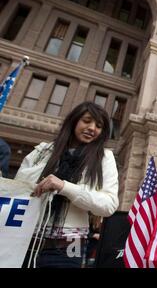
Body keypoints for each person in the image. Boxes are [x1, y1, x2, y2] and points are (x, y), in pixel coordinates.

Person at [17, 101, 119, 268]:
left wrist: (65, 187)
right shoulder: (43, 150)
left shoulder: (104, 158)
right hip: (23, 240)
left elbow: (109, 205)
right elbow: (18, 187)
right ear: (74, 121)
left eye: (99, 126)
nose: (92, 128)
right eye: (87, 121)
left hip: (69, 248)